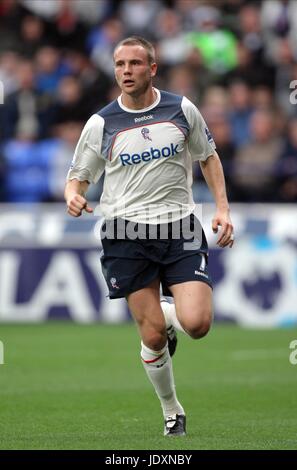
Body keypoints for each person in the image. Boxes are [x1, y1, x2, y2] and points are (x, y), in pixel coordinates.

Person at [64, 36, 234, 437]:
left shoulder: (181, 109)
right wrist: (73, 196)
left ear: (152, 68)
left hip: (179, 226)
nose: (126, 71)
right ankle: (172, 410)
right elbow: (77, 177)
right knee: (153, 334)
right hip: (125, 231)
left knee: (198, 323)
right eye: (120, 64)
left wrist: (223, 209)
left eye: (135, 64)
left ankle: (168, 313)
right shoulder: (101, 123)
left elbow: (208, 156)